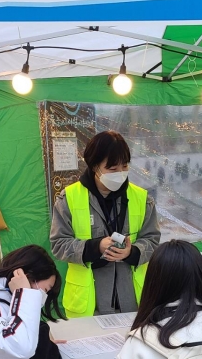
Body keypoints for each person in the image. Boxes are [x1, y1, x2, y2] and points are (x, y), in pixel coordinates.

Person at [50, 130, 160, 317]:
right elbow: (59, 244)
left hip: (135, 302)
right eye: (112, 169)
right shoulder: (68, 198)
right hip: (87, 305)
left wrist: (132, 252)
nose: (120, 173)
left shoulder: (142, 198)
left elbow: (152, 240)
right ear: (94, 166)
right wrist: (96, 246)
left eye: (124, 167)